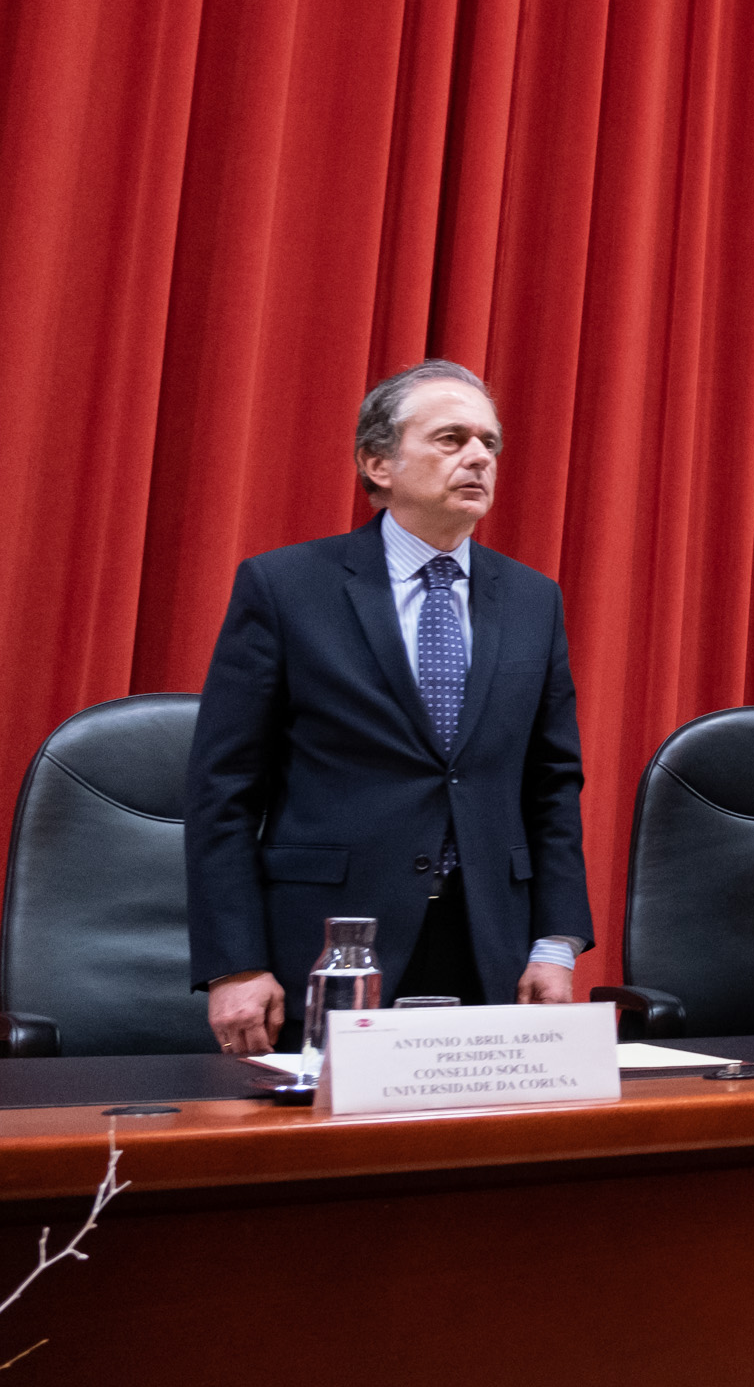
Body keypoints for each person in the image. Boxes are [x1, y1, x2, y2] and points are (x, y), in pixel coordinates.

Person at [186, 360, 592, 1057]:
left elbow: (552, 784)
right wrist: (235, 961)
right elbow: (223, 788)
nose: (478, 457)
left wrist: (555, 942)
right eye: (450, 438)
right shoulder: (285, 587)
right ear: (378, 462)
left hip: (487, 944)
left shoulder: (532, 599)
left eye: (489, 443)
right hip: (328, 947)